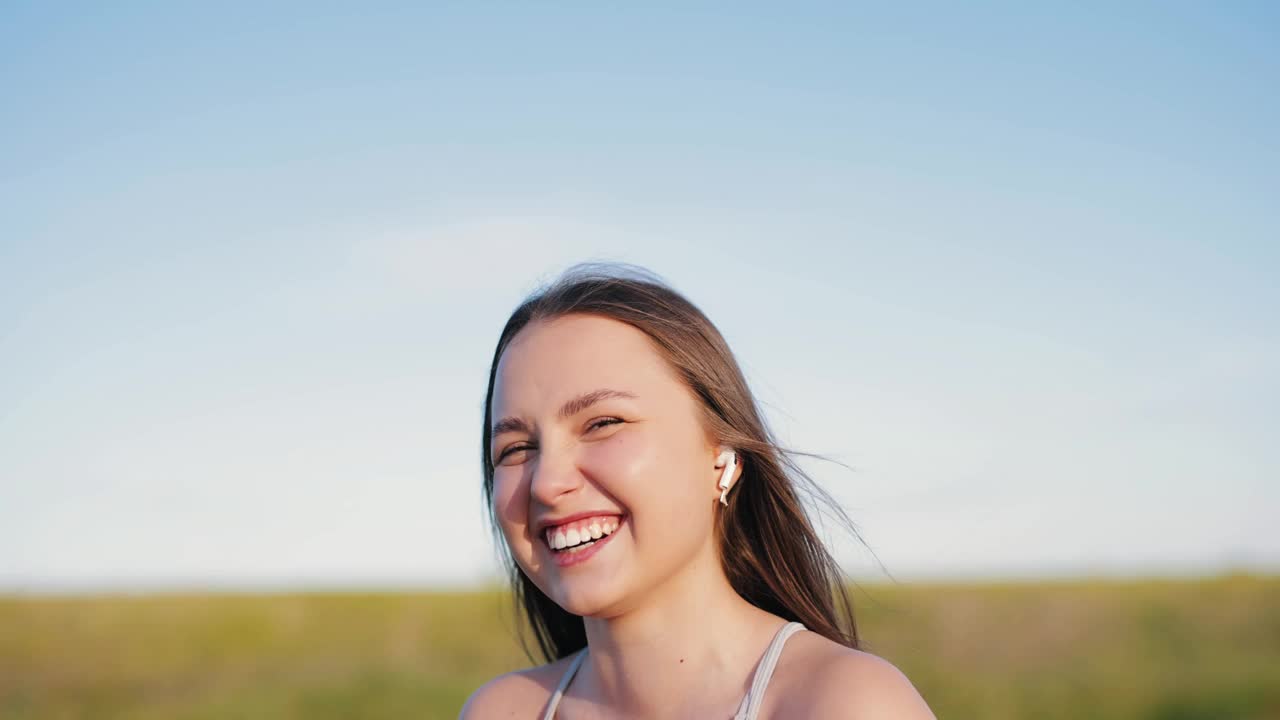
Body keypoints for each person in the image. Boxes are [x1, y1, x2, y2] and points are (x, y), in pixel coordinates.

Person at [461, 264, 935, 719]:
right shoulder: (500, 710)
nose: (546, 483)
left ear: (721, 453)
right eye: (516, 448)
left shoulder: (845, 705)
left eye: (603, 423)